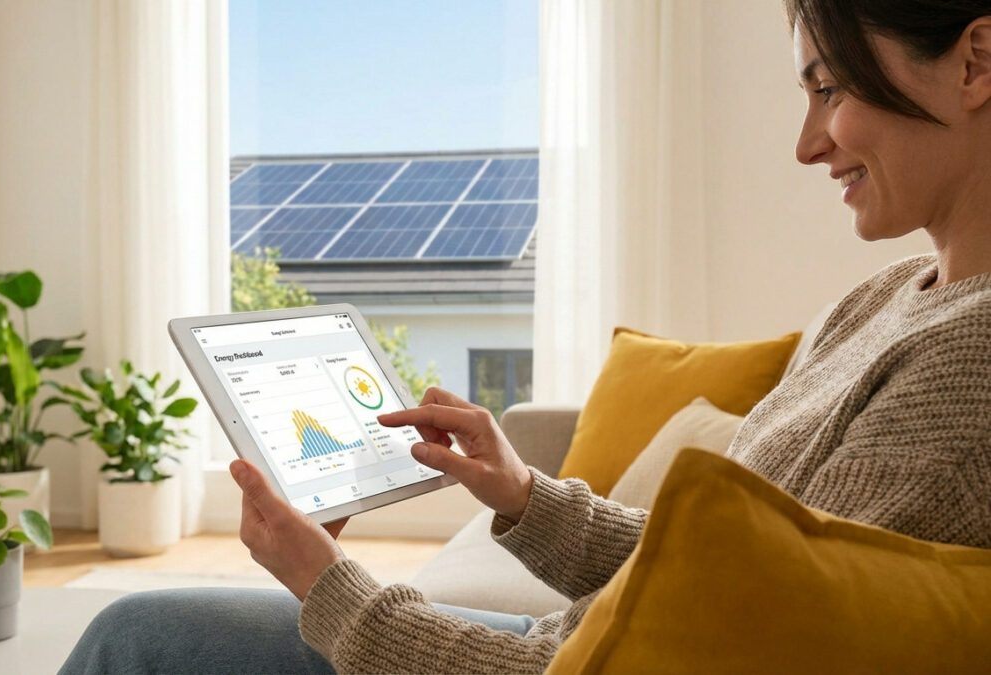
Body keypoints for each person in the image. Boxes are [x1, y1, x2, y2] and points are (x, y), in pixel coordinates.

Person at [60, 1, 991, 672]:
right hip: (576, 645)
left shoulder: (967, 367)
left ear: (975, 62)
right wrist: (523, 493)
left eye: (830, 88)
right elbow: (707, 575)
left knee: (134, 636)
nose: (807, 142)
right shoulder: (883, 298)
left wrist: (329, 583)